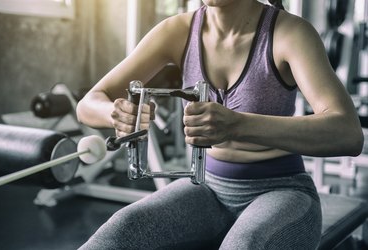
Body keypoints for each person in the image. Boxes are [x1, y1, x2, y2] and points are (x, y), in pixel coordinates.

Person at [76, 0, 364, 249]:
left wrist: (238, 125)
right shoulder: (176, 31)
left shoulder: (290, 33)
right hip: (206, 188)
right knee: (120, 231)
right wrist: (114, 113)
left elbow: (348, 133)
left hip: (283, 192)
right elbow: (89, 103)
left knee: (244, 245)